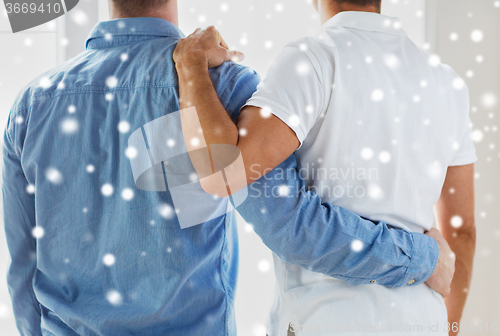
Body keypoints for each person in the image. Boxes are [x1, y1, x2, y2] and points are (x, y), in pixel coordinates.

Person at [2, 0, 453, 335]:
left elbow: (23, 266)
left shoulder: (31, 104)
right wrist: (422, 257)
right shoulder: (223, 86)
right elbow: (292, 225)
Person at [173, 0, 477, 335]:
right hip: (422, 321)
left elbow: (223, 174)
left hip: (326, 320)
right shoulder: (448, 84)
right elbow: (463, 233)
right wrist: (447, 326)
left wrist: (190, 66)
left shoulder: (313, 60)